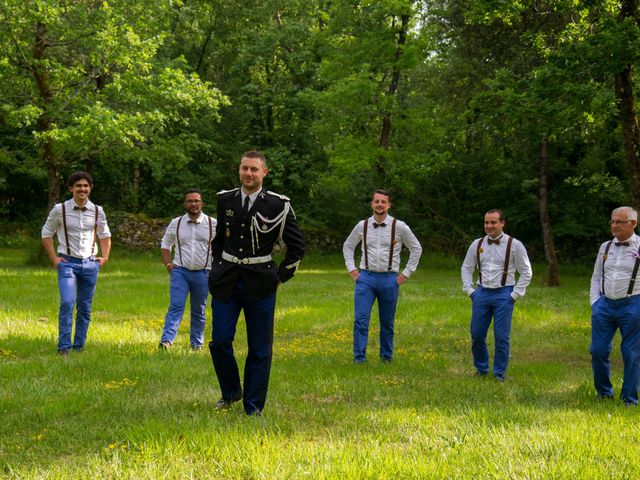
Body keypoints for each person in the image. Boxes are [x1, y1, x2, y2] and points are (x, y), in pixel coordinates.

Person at [208, 150, 304, 416]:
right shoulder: (224, 199)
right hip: (226, 281)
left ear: (264, 172)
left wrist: (280, 277)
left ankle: (253, 407)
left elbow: (297, 247)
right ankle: (230, 393)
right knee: (219, 342)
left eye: (253, 169)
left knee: (259, 349)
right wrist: (217, 267)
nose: (248, 174)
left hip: (261, 284)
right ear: (239, 170)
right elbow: (219, 240)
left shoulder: (278, 205)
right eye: (244, 169)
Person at [342, 189, 422, 364]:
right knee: (361, 320)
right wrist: (352, 270)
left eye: (383, 202)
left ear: (389, 205)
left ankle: (386, 357)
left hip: (389, 279)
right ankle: (359, 358)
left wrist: (406, 274)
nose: (380, 204)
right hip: (366, 279)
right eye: (376, 201)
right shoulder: (362, 225)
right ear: (372, 204)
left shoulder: (399, 226)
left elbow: (416, 248)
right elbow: (348, 246)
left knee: (387, 322)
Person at [41, 171, 111, 357]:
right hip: (67, 263)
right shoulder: (60, 209)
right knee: (67, 302)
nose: (82, 189)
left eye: (86, 186)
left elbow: (105, 235)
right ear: (71, 188)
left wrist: (104, 257)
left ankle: (78, 346)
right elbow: (46, 233)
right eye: (78, 186)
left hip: (90, 264)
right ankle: (64, 347)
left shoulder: (97, 211)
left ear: (90, 189)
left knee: (85, 307)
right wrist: (54, 258)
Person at [461, 209, 532, 380]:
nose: (489, 226)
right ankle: (481, 370)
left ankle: (499, 374)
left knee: (501, 337)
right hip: (481, 294)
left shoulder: (515, 245)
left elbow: (526, 272)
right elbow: (466, 268)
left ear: (502, 223)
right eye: (486, 222)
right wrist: (470, 291)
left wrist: (514, 295)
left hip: (504, 295)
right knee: (476, 334)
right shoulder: (477, 244)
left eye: (493, 222)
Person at [589, 206, 640, 406]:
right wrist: (595, 302)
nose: (614, 225)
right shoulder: (605, 247)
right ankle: (604, 393)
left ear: (633, 224)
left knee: (631, 353)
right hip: (604, 305)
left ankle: (629, 399)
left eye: (619, 222)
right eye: (612, 221)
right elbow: (596, 276)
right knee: (598, 350)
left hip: (633, 304)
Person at [159, 189, 216, 351]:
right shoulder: (176, 223)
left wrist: (215, 268)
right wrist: (168, 263)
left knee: (199, 310)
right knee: (176, 306)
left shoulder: (212, 224)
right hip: (180, 272)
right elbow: (165, 243)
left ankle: (196, 344)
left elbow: (221, 247)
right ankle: (166, 341)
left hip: (204, 273)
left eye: (196, 200)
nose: (193, 204)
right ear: (185, 204)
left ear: (202, 203)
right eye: (190, 201)